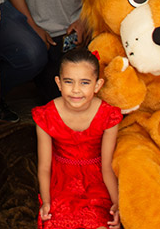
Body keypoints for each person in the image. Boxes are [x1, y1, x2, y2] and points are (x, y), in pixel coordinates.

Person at [34, 48, 122, 229]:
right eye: (68, 82)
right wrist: (46, 201)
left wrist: (117, 203)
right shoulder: (46, 116)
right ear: (58, 83)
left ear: (97, 85)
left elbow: (107, 167)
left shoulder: (108, 115)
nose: (75, 90)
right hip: (61, 179)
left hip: (96, 179)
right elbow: (44, 167)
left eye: (84, 82)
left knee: (100, 222)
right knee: (57, 221)